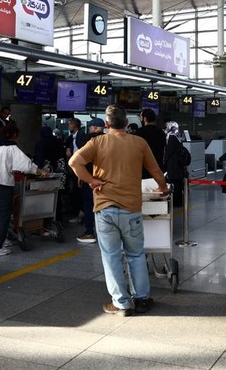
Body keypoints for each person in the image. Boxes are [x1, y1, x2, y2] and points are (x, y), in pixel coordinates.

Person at [68, 104, 168, 316]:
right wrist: (163, 189)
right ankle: (141, 299)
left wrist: (91, 181)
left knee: (111, 257)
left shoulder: (97, 142)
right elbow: (156, 170)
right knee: (136, 254)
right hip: (131, 209)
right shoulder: (139, 142)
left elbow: (74, 161)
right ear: (126, 122)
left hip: (105, 209)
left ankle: (121, 304)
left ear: (106, 124)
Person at [0, 124, 49, 257]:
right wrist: (40, 171)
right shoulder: (12, 148)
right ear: (14, 135)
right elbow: (26, 165)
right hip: (5, 185)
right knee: (4, 217)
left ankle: (1, 241)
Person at [75, 118, 105, 244]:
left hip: (90, 178)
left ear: (93, 127)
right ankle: (105, 233)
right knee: (105, 205)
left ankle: (89, 232)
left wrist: (80, 176)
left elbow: (79, 160)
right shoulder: (108, 139)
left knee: (88, 205)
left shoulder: (86, 139)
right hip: (105, 177)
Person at [135, 109, 166, 179]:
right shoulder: (161, 132)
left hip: (143, 171)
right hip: (158, 169)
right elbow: (164, 150)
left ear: (145, 119)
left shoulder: (139, 132)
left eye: (141, 117)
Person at [163, 121, 187, 207]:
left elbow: (169, 152)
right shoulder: (177, 136)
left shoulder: (171, 137)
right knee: (178, 184)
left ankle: (176, 202)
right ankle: (178, 201)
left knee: (175, 185)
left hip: (173, 166)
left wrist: (164, 161)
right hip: (178, 165)